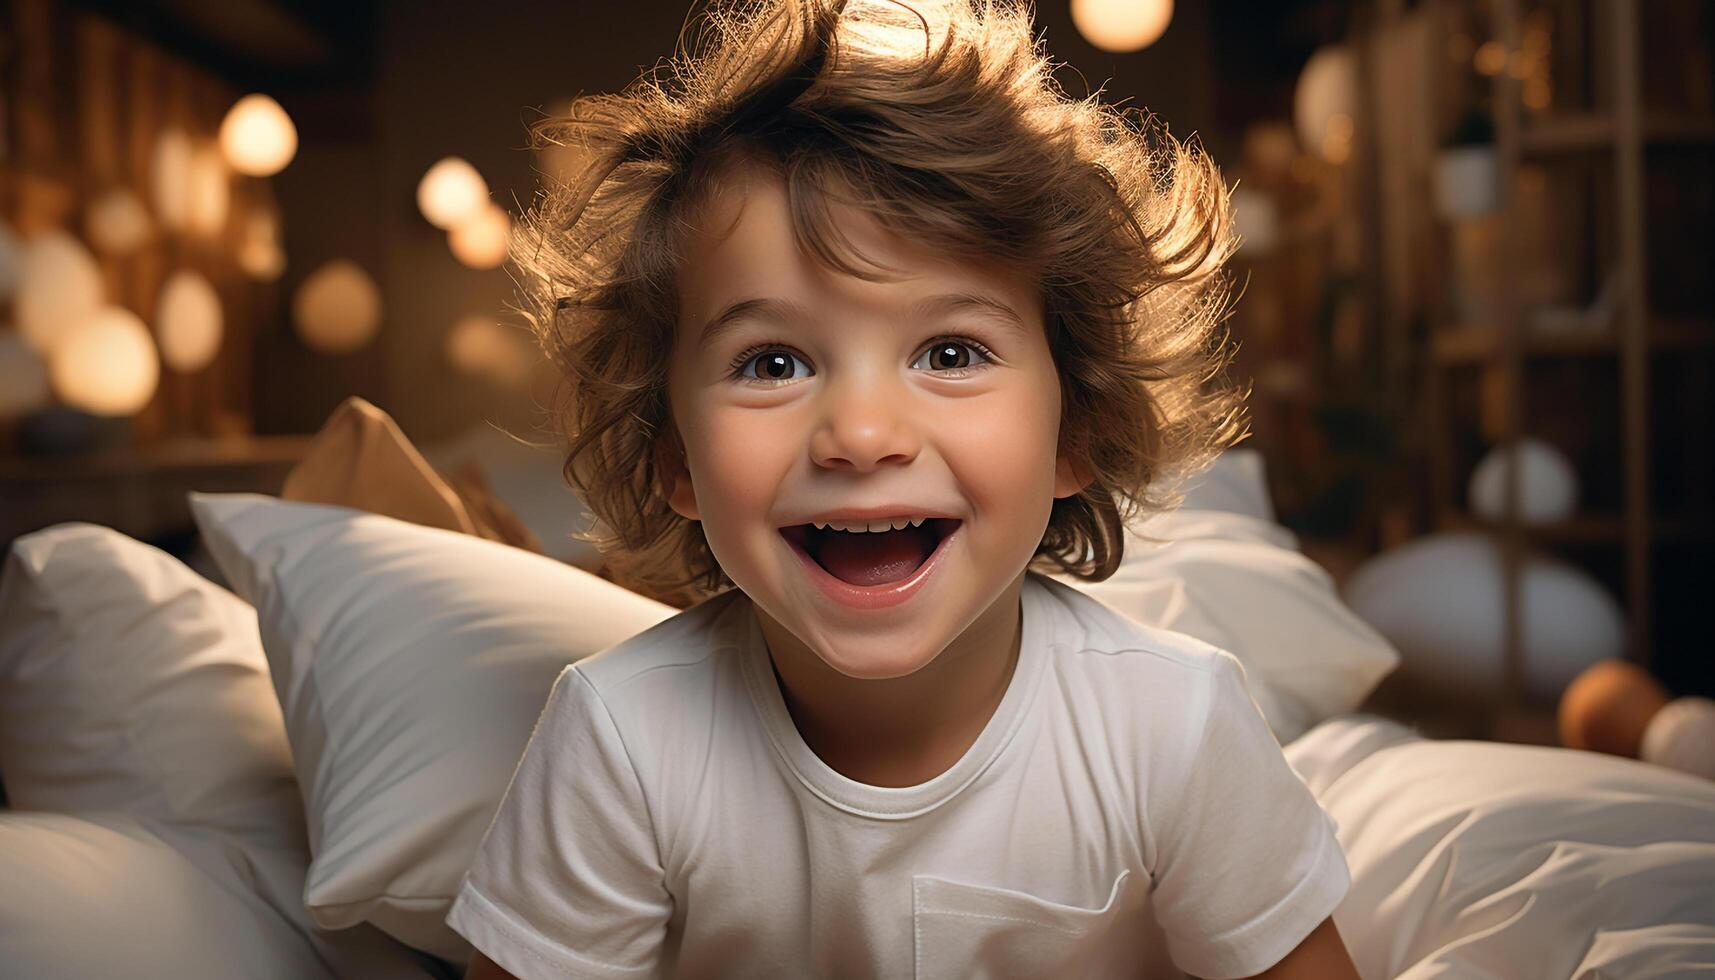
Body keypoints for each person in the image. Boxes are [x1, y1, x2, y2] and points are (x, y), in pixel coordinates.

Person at [453, 1, 1360, 976]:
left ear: (1077, 430)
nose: (860, 434)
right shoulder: (622, 735)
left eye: (950, 350)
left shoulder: (1171, 725)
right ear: (674, 456)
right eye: (770, 363)